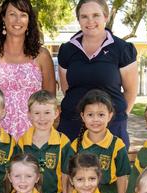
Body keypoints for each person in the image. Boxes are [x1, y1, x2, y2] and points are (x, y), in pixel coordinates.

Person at [57, 0, 139, 146]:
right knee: (71, 168)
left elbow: (130, 91)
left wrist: (116, 117)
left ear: (105, 17)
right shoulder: (67, 50)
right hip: (72, 125)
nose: (90, 21)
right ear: (78, 19)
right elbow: (66, 88)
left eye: (96, 15)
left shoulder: (122, 49)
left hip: (111, 126)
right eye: (84, 16)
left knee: (111, 168)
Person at [0, 0, 55, 139]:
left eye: (23, 15)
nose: (18, 20)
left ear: (29, 20)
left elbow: (49, 100)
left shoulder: (42, 56)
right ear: (3, 18)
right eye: (12, 14)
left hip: (34, 137)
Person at [64, 89, 130, 193]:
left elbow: (122, 178)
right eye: (90, 115)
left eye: (101, 115)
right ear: (83, 116)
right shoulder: (75, 146)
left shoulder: (117, 145)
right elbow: (69, 178)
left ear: (110, 116)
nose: (95, 120)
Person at [17, 90, 72, 193]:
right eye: (37, 113)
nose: (42, 118)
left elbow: (66, 175)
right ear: (29, 115)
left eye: (47, 112)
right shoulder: (22, 142)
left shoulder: (63, 141)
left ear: (56, 113)